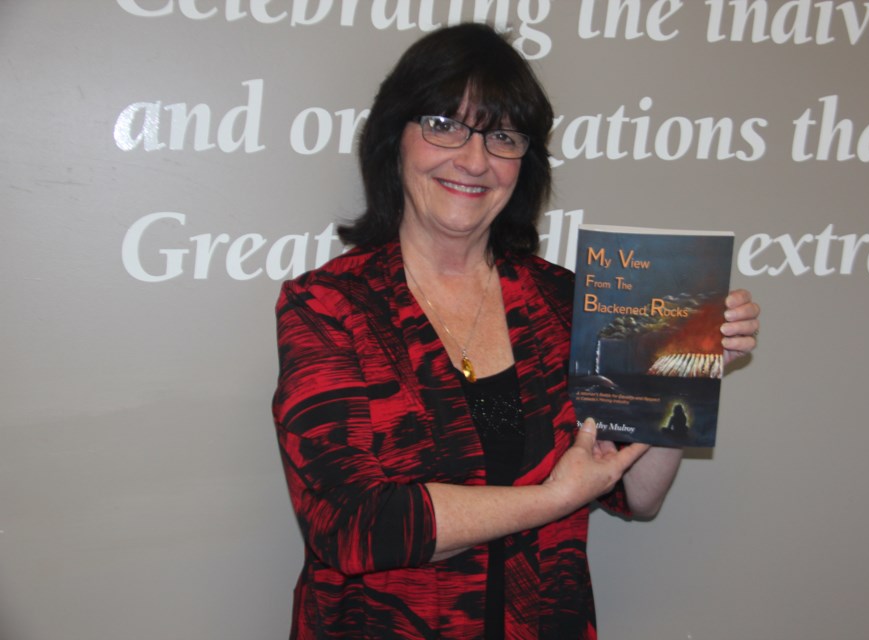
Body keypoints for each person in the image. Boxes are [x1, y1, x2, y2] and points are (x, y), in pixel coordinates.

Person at [272, 23, 760, 640]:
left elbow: (637, 494)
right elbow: (350, 523)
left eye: (501, 136)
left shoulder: (566, 301)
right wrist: (552, 499)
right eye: (445, 124)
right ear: (394, 139)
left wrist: (684, 363)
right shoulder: (328, 306)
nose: (474, 161)